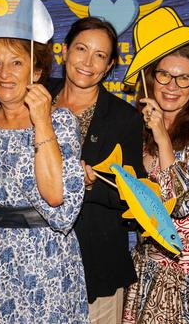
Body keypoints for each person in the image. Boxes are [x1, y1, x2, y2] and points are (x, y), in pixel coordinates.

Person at [121, 7, 189, 324]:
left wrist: (164, 140)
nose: (172, 86)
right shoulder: (135, 128)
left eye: (184, 78)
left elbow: (180, 205)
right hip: (148, 265)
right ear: (151, 79)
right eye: (164, 75)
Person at [0, 36, 88, 323]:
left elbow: (58, 200)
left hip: (43, 262)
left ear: (36, 73)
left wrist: (42, 120)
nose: (4, 73)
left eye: (16, 63)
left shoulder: (61, 122)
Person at [48, 17, 144, 323]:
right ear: (63, 51)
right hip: (34, 261)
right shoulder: (34, 98)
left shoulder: (123, 118)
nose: (87, 62)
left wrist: (91, 185)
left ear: (110, 65)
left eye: (100, 55)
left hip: (95, 261)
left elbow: (134, 195)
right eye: (81, 49)